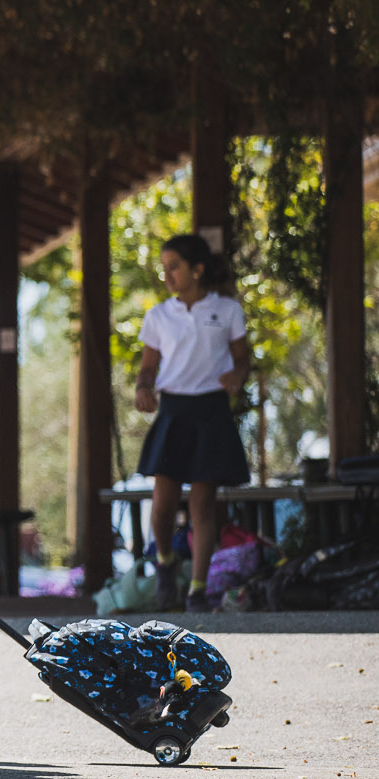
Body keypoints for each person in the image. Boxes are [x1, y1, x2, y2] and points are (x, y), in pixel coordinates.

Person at [133, 233, 251, 613]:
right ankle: (166, 562)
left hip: (212, 412)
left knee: (203, 506)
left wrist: (237, 377)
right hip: (174, 412)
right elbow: (148, 368)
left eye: (175, 267)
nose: (167, 275)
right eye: (164, 268)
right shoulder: (158, 315)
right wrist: (143, 388)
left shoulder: (228, 310)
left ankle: (197, 590)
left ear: (197, 270)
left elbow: (242, 359)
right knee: (163, 506)